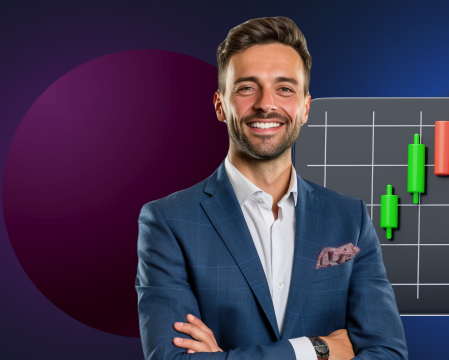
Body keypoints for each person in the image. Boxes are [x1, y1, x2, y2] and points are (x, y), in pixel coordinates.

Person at [135, 16, 408, 360]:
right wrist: (315, 350)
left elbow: (388, 354)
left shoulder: (349, 217)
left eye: (285, 88)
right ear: (220, 105)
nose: (267, 103)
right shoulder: (168, 222)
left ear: (306, 107)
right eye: (247, 87)